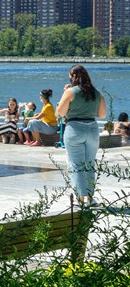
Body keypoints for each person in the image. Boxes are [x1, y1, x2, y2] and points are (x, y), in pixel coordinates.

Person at [56, 65, 106, 206]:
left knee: (76, 165)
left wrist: (65, 93)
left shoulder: (70, 92)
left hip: (74, 129)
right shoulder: (96, 93)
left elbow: (61, 112)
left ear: (73, 76)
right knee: (90, 164)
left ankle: (80, 198)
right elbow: (102, 114)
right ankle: (90, 198)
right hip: (92, 129)